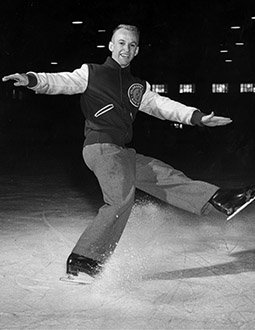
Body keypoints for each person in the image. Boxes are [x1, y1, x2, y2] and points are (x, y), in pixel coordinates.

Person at [2, 24, 255, 279]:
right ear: (111, 46)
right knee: (121, 198)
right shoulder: (92, 73)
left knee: (161, 174)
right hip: (100, 147)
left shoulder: (138, 86)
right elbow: (61, 81)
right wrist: (32, 78)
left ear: (136, 52)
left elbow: (162, 105)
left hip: (121, 152)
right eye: (121, 43)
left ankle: (220, 200)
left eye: (132, 45)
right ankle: (83, 261)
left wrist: (197, 117)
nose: (126, 48)